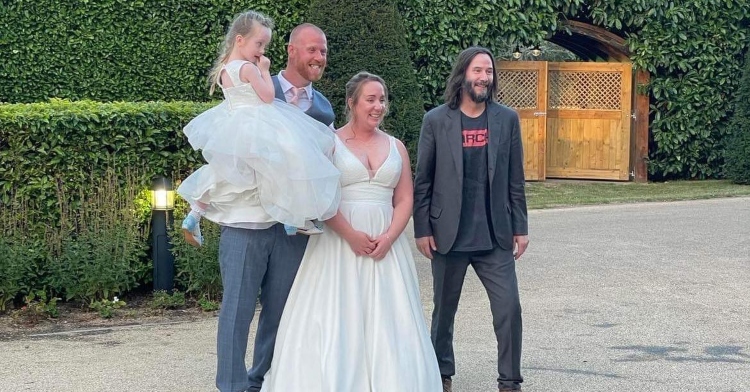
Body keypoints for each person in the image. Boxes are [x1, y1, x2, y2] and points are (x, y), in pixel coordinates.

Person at [179, 15, 338, 392]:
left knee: (280, 312)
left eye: (323, 51)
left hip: (290, 230)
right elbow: (225, 157)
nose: (319, 56)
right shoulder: (258, 83)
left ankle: (262, 381)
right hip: (244, 224)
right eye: (312, 49)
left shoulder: (324, 107)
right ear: (291, 50)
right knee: (236, 309)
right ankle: (232, 385)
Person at [259, 72, 443, 392]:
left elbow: (404, 199)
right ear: (352, 103)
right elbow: (321, 197)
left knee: (391, 317)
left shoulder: (396, 146)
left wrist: (389, 238)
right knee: (338, 314)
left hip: (386, 246)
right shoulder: (330, 143)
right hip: (339, 244)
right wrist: (350, 235)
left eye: (382, 99)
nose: (378, 106)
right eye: (370, 99)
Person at [413, 46, 530, 392]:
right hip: (448, 236)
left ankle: (510, 381)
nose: (484, 77)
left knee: (509, 309)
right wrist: (422, 229)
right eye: (478, 71)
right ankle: (441, 374)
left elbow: (515, 177)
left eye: (489, 72)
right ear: (463, 74)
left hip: (495, 235)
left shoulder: (506, 119)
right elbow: (424, 180)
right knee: (443, 314)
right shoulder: (436, 120)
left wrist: (521, 227)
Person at [177, 13, 339, 246]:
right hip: (257, 121)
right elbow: (267, 96)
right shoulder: (249, 69)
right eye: (259, 44)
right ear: (240, 40)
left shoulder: (224, 70)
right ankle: (294, 216)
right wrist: (264, 70)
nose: (262, 51)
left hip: (233, 124)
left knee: (222, 171)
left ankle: (195, 212)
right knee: (289, 157)